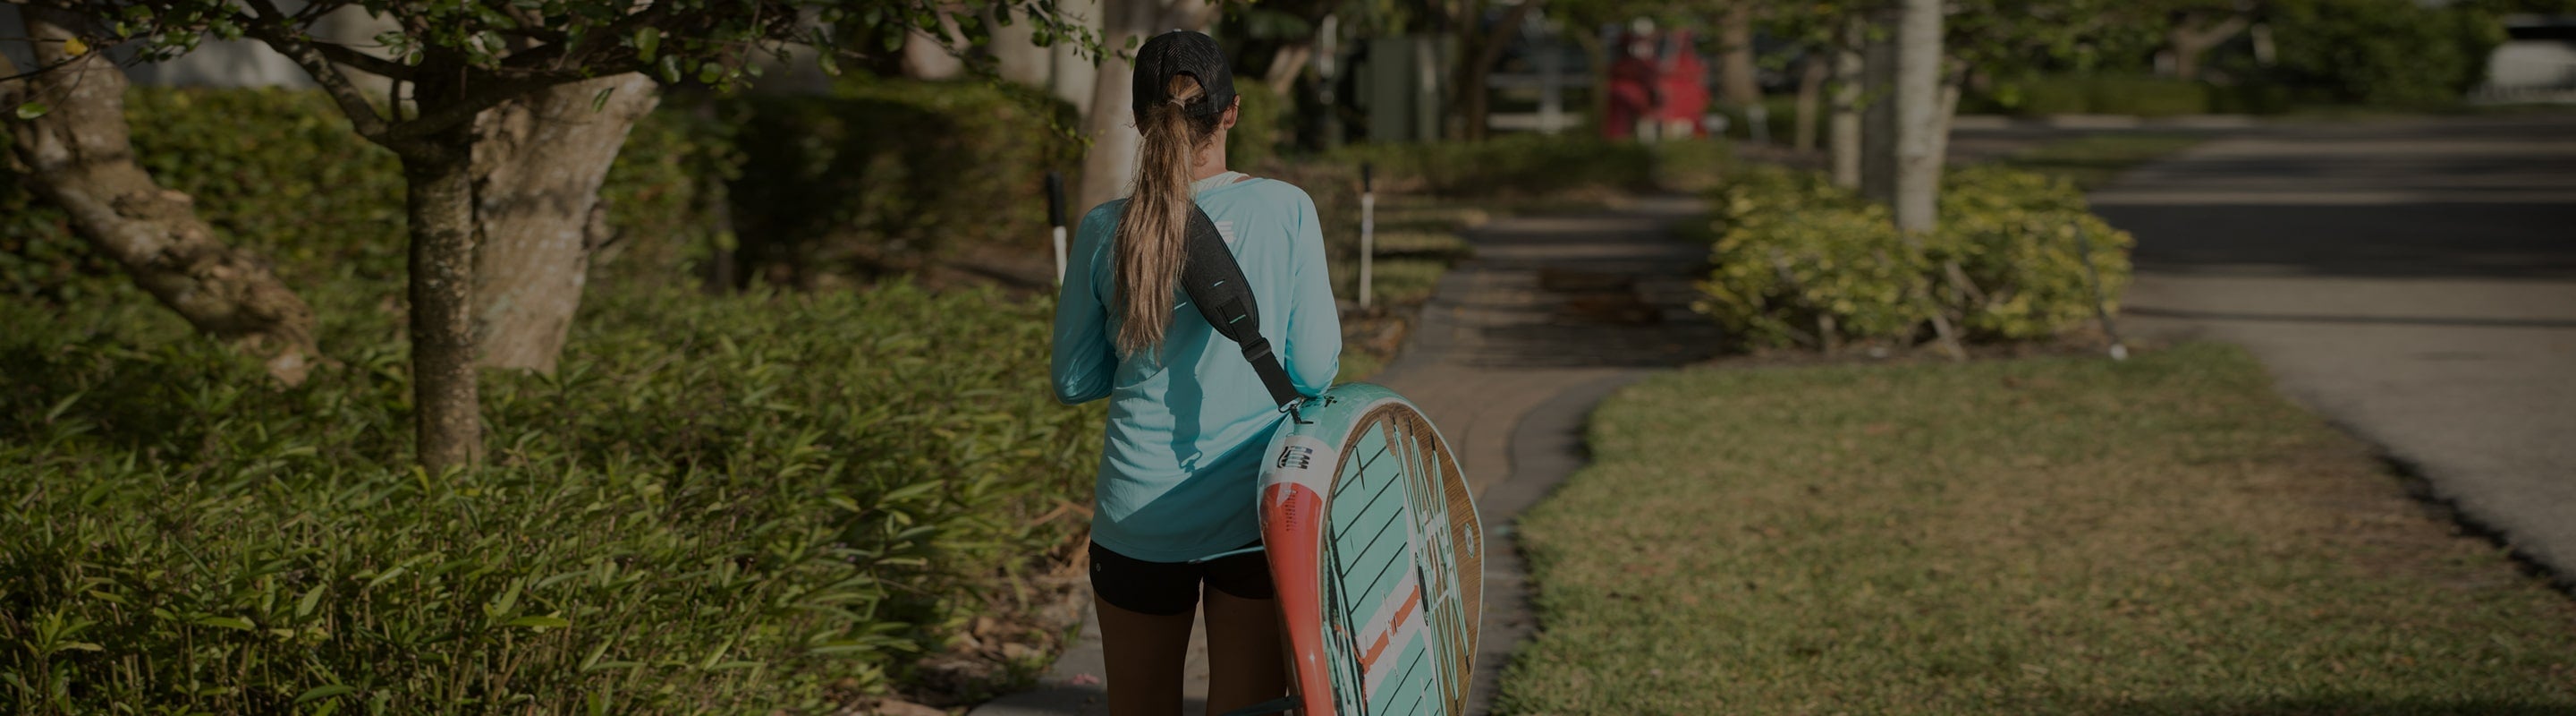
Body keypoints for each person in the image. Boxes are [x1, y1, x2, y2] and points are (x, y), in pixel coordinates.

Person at [1049, 30, 1342, 716]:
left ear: (1139, 117)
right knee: (1246, 706)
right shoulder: (1284, 208)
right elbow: (1315, 368)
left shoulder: (1102, 229)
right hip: (1253, 512)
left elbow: (1073, 380)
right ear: (1231, 111)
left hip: (1137, 518)